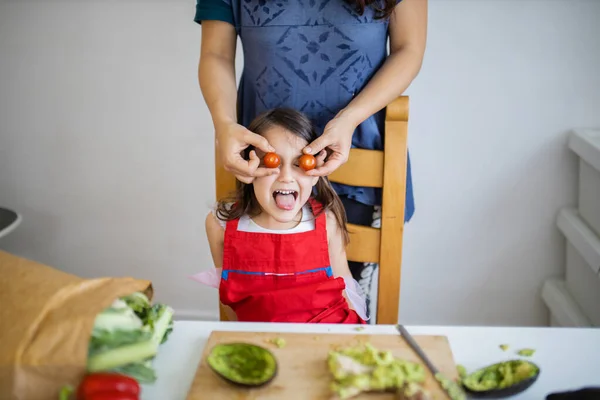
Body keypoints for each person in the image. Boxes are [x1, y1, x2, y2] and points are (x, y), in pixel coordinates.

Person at [194, 0, 427, 320]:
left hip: (357, 154)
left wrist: (350, 119)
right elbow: (215, 54)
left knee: (346, 290)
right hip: (262, 162)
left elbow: (409, 49)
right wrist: (224, 125)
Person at [192, 108, 368, 324]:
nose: (286, 177)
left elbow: (347, 288)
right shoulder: (220, 225)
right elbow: (231, 306)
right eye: (272, 162)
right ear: (248, 168)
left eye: (300, 164)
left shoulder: (327, 221)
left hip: (329, 333)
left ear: (315, 175)